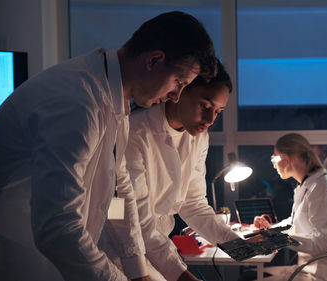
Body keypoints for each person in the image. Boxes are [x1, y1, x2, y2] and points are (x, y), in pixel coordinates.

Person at [0, 11, 216, 281]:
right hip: (15, 257)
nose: (176, 96)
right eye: (179, 83)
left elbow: (117, 196)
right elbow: (58, 227)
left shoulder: (111, 98)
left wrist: (138, 272)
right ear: (155, 60)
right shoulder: (78, 101)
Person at [100, 60, 240, 280]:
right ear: (181, 91)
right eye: (205, 106)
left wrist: (238, 245)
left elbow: (193, 204)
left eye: (218, 112)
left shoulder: (198, 137)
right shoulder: (134, 131)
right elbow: (133, 217)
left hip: (155, 248)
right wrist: (181, 274)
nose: (211, 119)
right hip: (119, 248)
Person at [252, 133, 327, 281]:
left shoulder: (321, 188)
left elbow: (323, 244)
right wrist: (271, 228)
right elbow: (296, 221)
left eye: (274, 158)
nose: (273, 164)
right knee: (249, 275)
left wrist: (278, 238)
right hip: (308, 269)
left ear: (288, 159)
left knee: (248, 278)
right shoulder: (307, 183)